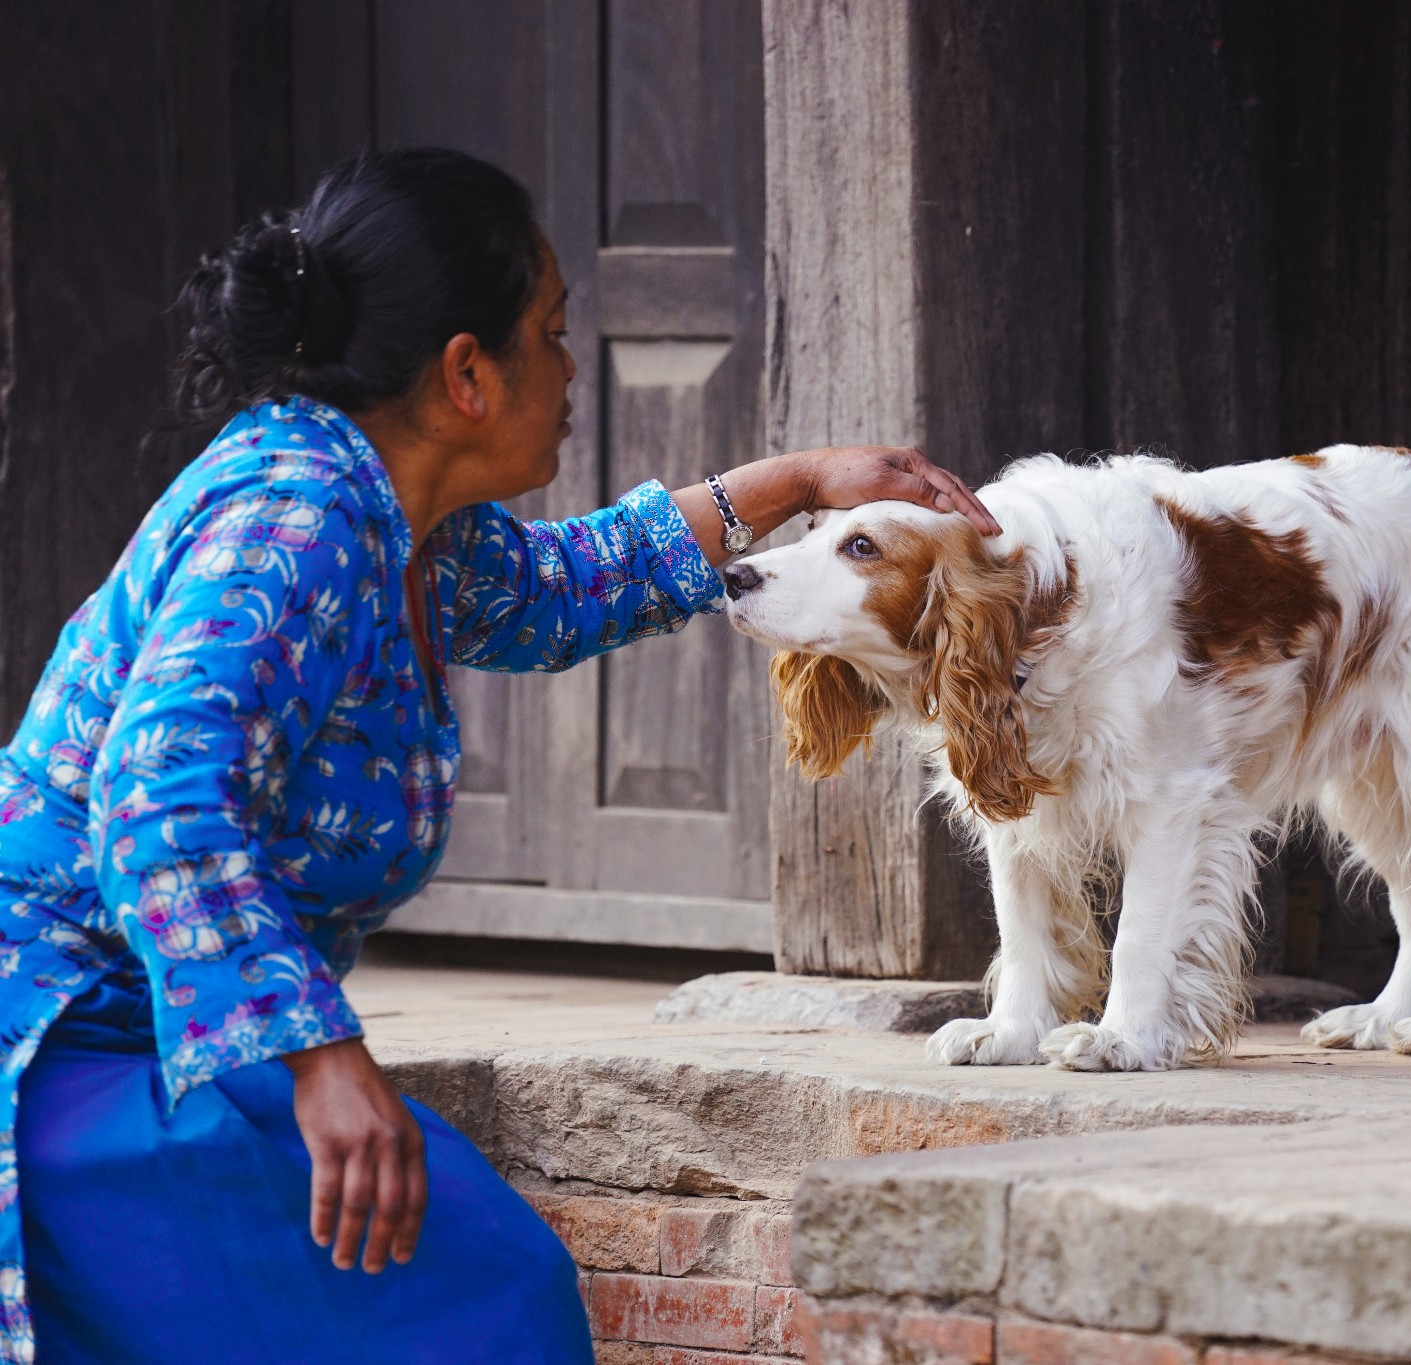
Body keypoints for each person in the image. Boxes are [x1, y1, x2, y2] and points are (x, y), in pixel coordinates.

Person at [0, 146, 998, 1364]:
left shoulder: (395, 515)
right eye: (554, 330)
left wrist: (799, 484)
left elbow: (562, 584)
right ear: (469, 373)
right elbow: (156, 804)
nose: (574, 368)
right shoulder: (296, 520)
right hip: (59, 1042)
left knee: (479, 1291)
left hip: (166, 1027)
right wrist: (320, 1057)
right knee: (483, 1304)